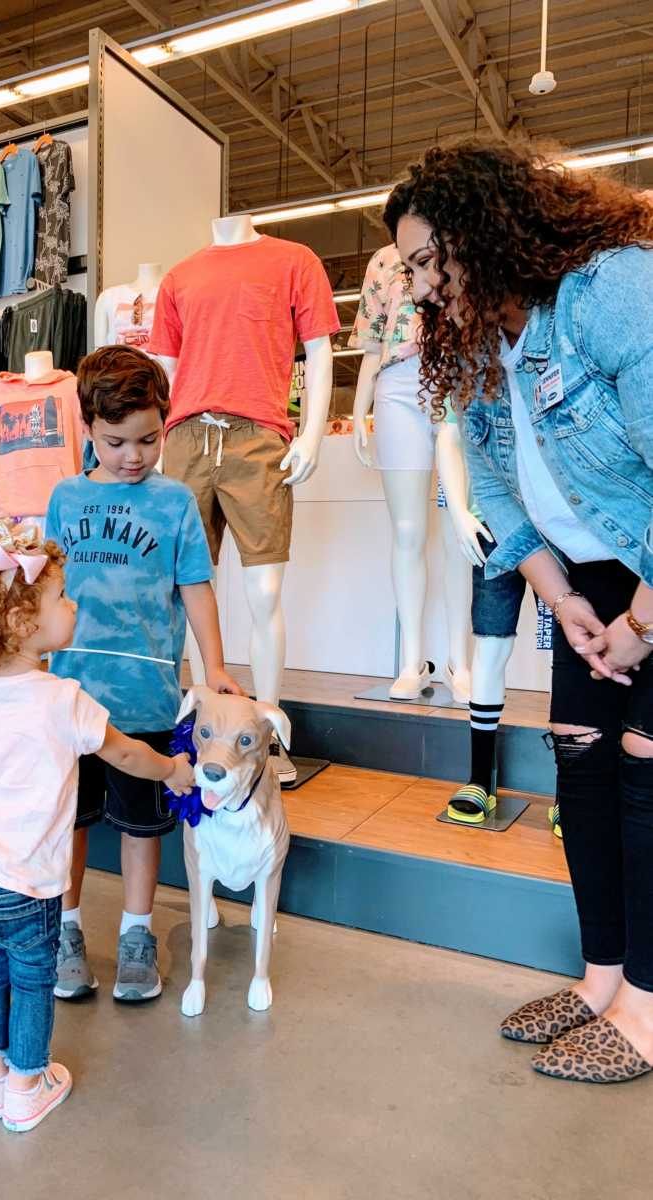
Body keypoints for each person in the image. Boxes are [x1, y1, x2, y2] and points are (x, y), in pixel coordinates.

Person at [386, 137, 653, 1084]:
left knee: (643, 765)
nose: (418, 285)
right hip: (593, 583)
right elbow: (495, 489)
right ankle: (604, 978)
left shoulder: (611, 289)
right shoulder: (476, 345)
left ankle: (648, 1010)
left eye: (426, 260)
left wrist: (642, 621)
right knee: (579, 756)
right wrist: (566, 599)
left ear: (485, 233)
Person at [0, 522, 194, 1131]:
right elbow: (124, 755)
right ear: (22, 625)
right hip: (24, 881)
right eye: (60, 598)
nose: (72, 605)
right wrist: (172, 768)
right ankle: (25, 1084)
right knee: (34, 979)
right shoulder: (62, 699)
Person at [45, 345, 243, 1003]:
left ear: (165, 425)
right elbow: (44, 587)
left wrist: (214, 665)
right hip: (69, 697)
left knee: (141, 825)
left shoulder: (177, 502)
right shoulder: (65, 498)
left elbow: (197, 586)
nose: (134, 455)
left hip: (148, 700)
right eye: (116, 441)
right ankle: (65, 930)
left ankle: (137, 933)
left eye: (149, 439)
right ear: (88, 430)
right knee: (69, 822)